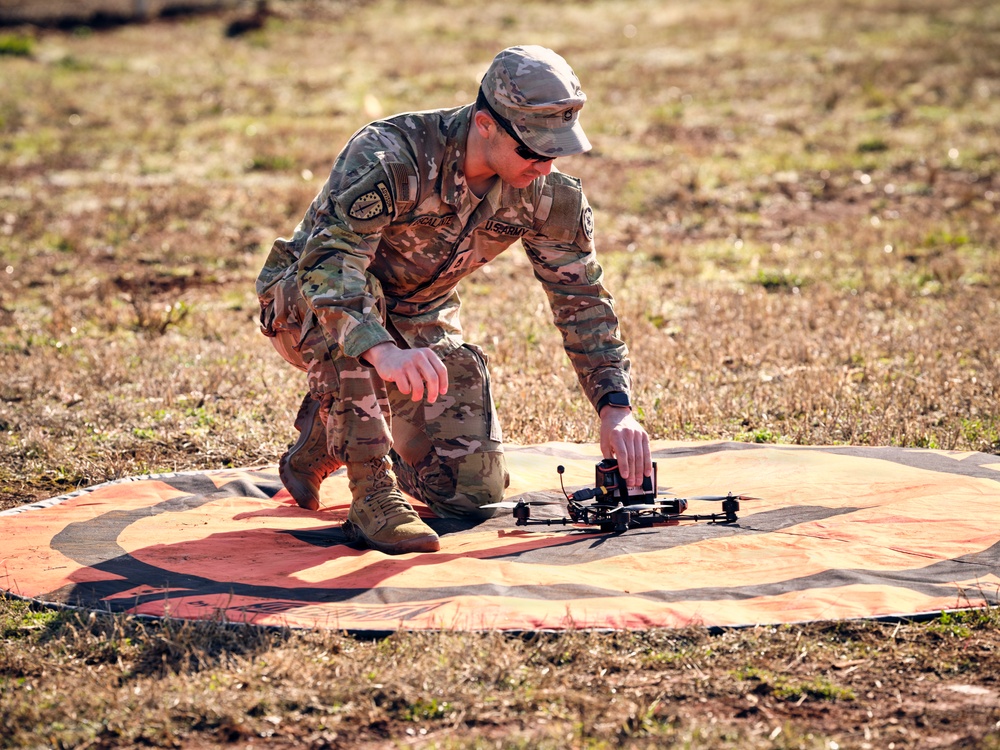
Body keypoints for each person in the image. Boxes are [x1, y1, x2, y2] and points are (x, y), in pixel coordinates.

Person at [256, 45, 651, 555]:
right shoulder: (391, 156)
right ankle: (372, 493)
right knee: (360, 314)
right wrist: (383, 351)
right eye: (532, 148)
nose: (546, 163)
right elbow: (329, 265)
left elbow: (583, 300)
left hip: (418, 319)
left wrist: (614, 407)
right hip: (306, 300)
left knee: (470, 496)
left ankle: (328, 434)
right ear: (485, 124)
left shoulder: (548, 194)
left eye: (558, 149)